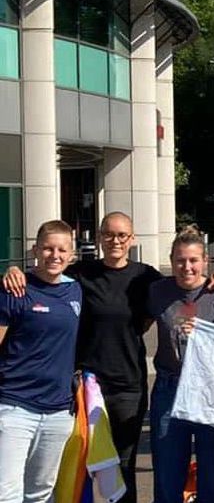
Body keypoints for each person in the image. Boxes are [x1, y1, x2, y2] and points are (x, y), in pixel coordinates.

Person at [2, 212, 163, 503]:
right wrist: (13, 270)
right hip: (82, 386)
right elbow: (44, 272)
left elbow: (178, 292)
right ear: (99, 237)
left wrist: (213, 280)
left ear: (132, 239)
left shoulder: (146, 277)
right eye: (108, 234)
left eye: (122, 235)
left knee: (121, 467)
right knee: (73, 466)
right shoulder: (79, 275)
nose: (115, 241)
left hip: (127, 385)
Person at [147, 226, 214, 503]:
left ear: (205, 261)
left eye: (193, 260)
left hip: (208, 390)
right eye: (180, 260)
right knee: (168, 471)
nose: (186, 267)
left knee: (211, 472)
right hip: (170, 389)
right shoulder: (157, 291)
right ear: (171, 261)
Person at [0, 220, 81, 503]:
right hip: (15, 407)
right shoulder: (14, 290)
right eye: (47, 248)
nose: (54, 255)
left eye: (62, 250)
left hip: (58, 412)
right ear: (35, 250)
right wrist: (11, 270)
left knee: (42, 493)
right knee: (6, 494)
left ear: (72, 254)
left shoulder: (75, 290)